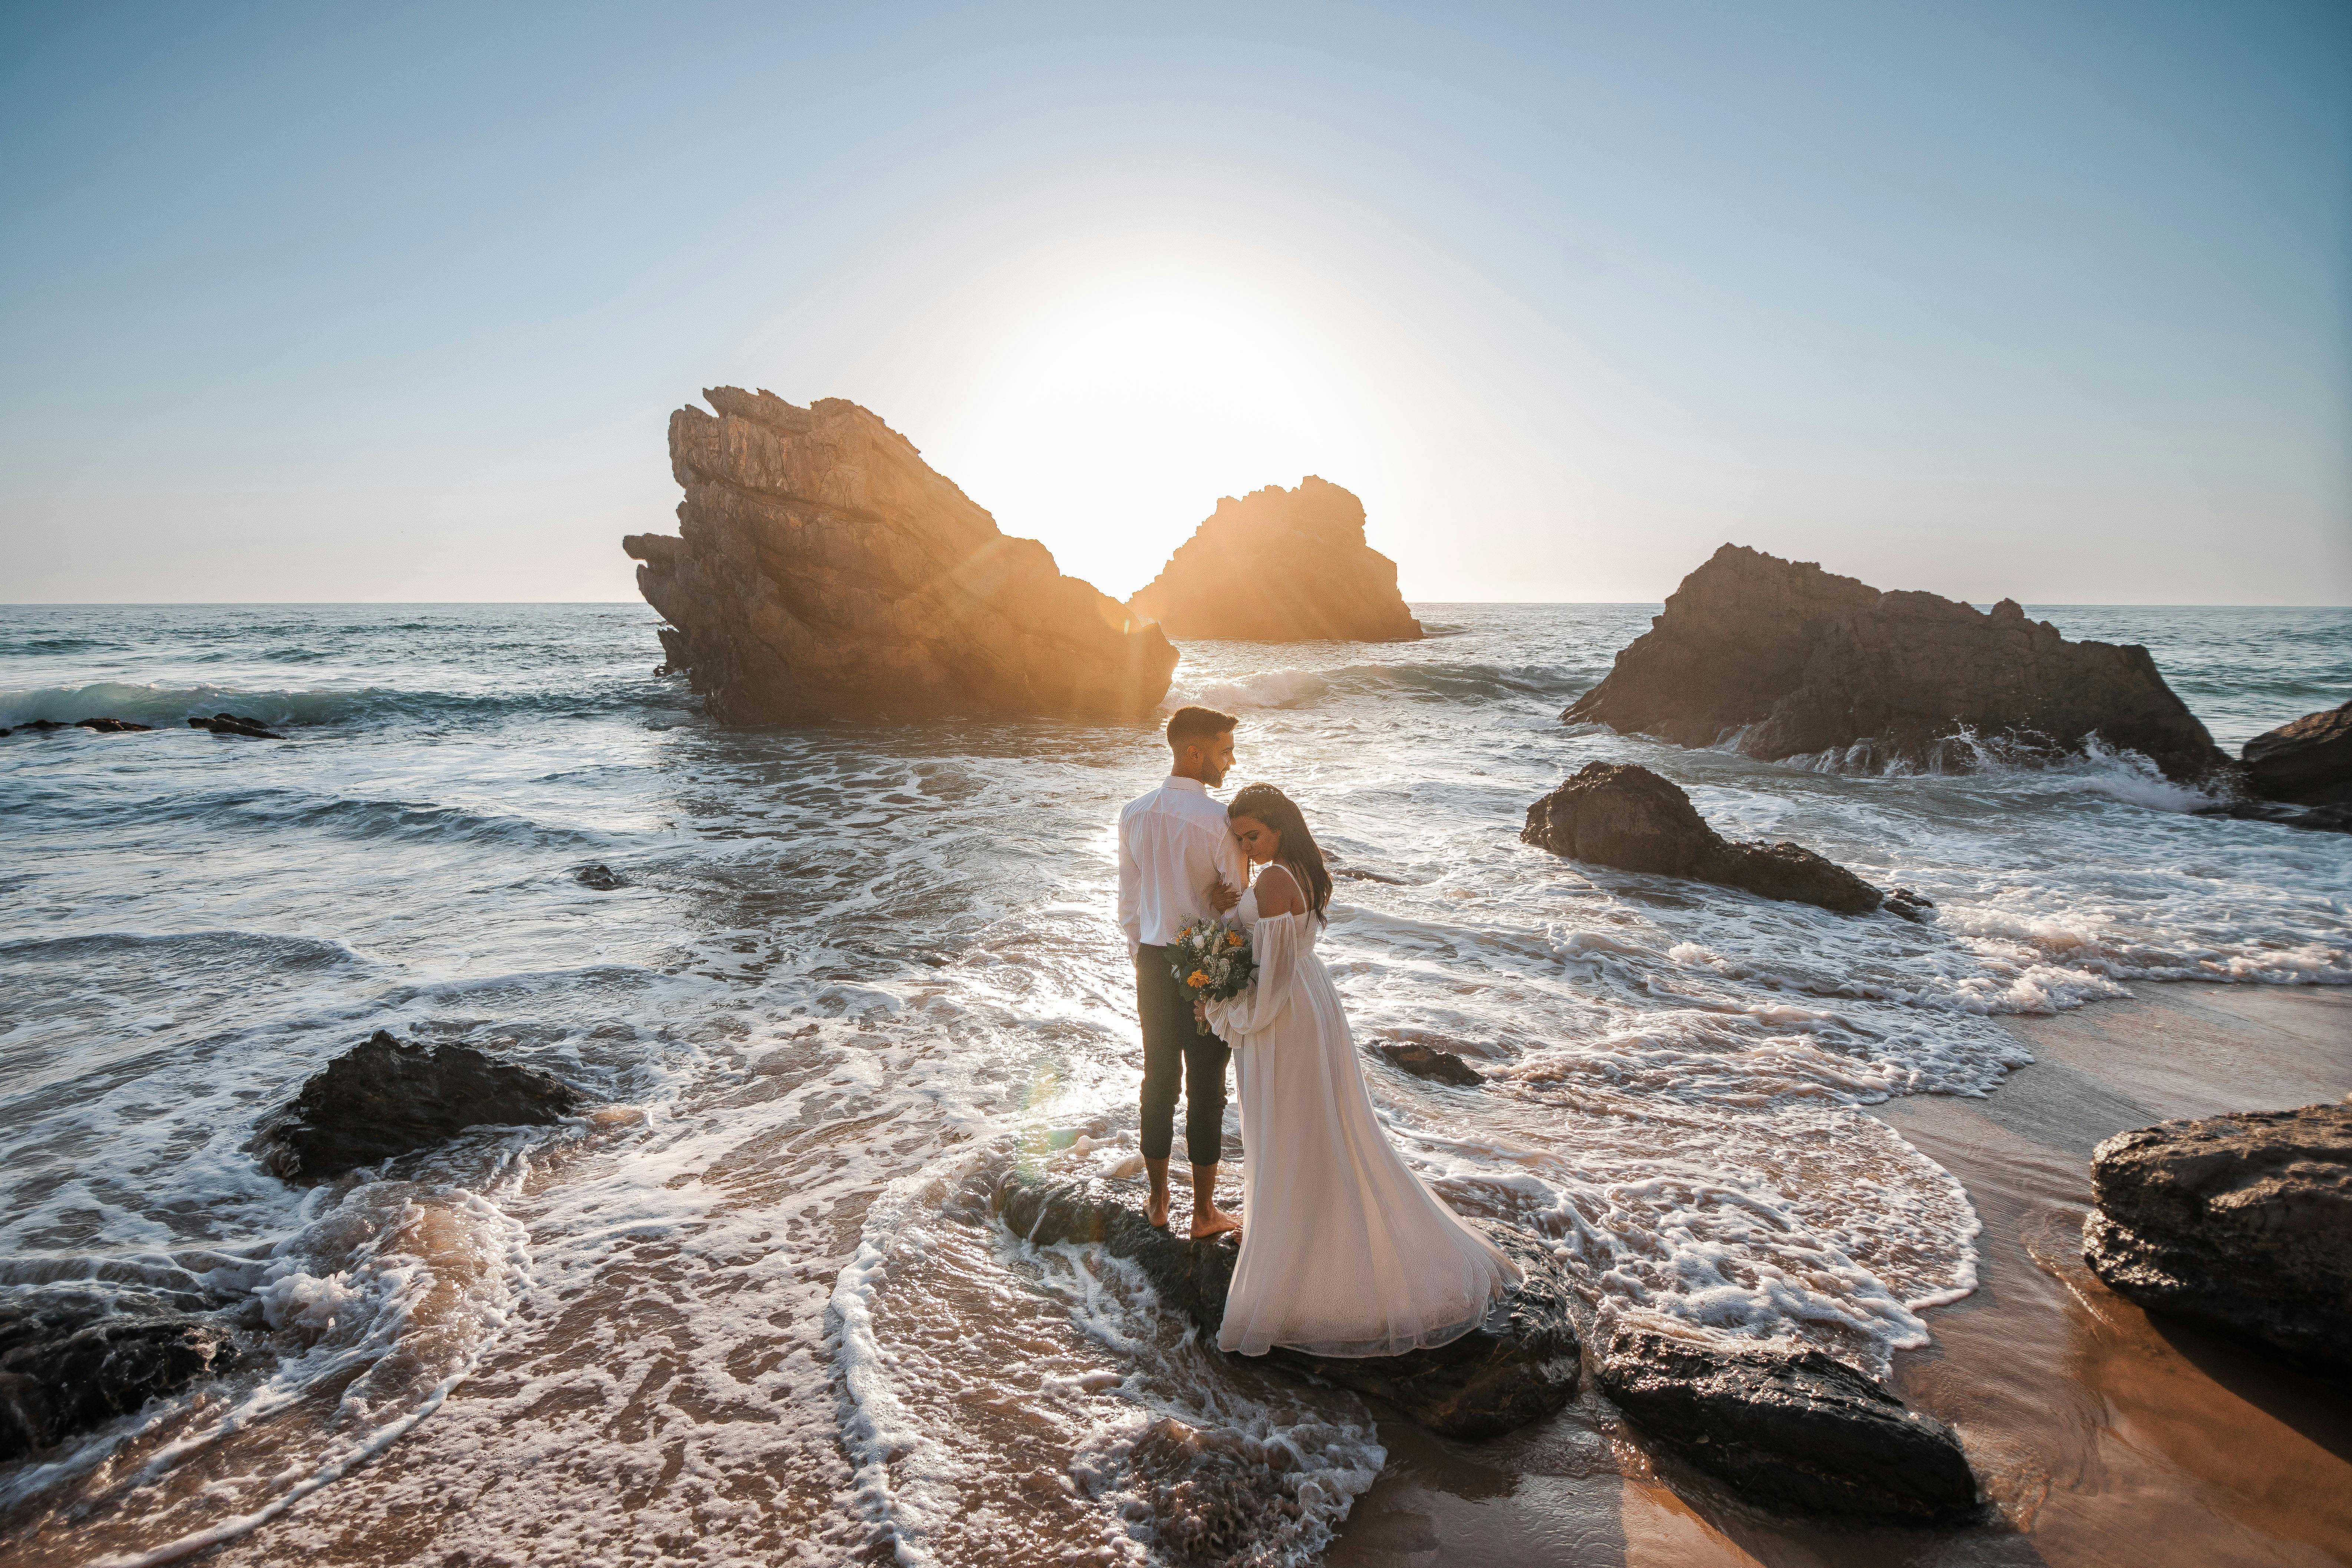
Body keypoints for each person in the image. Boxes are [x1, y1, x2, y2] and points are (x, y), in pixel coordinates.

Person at [1202, 782, 1520, 1357]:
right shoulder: (1301, 867)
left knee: (1287, 1132)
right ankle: (1295, 1233)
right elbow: (1278, 948)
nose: (1246, 847)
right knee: (1318, 1130)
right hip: (1311, 1003)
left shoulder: (1275, 877)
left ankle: (1298, 1266)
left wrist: (1222, 1007)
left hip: (1283, 1018)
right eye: (1240, 838)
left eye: (1252, 835)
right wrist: (1232, 906)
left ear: (1278, 825)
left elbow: (1268, 984)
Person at [1115, 705, 1250, 1238]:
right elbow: (1239, 908)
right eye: (1224, 749)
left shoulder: (1134, 813)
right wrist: (1215, 910)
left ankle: (1157, 1200)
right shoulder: (1219, 821)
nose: (1231, 761)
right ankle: (1203, 1212)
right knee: (1208, 1088)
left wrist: (1143, 955)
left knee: (1159, 1083)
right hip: (1204, 965)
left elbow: (1129, 903)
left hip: (1151, 958)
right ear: (1194, 752)